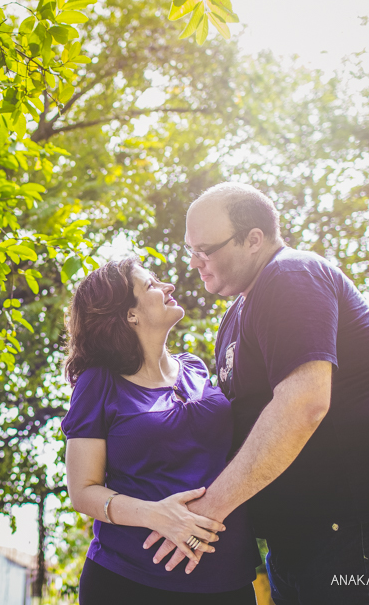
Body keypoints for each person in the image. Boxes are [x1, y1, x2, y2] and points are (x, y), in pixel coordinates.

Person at [145, 182, 369, 604]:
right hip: (297, 534)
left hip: (353, 525)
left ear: (253, 239)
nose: (194, 262)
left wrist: (209, 512)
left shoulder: (291, 275)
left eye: (205, 250)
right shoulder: (236, 315)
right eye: (191, 250)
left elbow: (304, 404)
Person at [62, 258, 261, 605]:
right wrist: (157, 515)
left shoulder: (195, 368)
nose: (168, 286)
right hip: (130, 580)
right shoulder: (98, 382)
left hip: (228, 577)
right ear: (130, 315)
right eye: (151, 285)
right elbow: (82, 490)